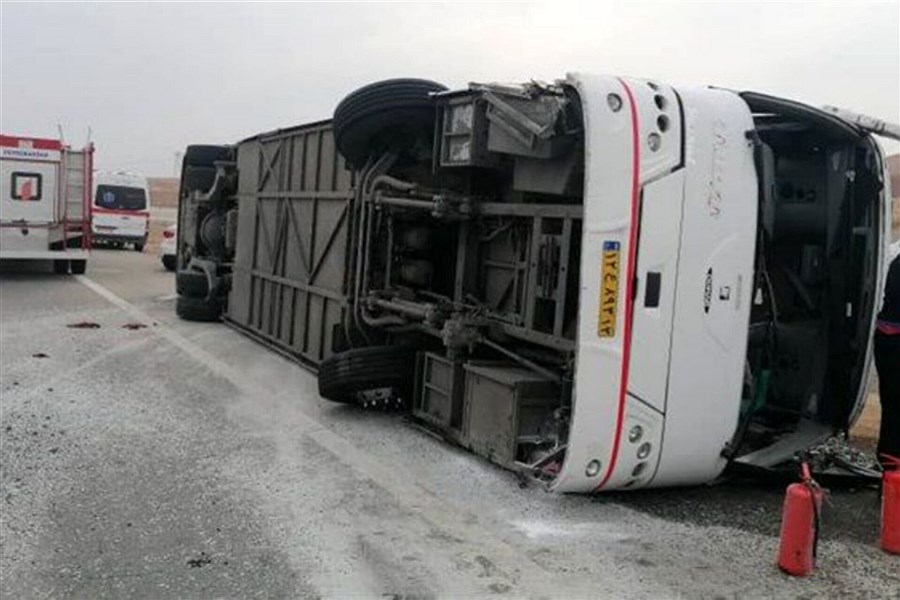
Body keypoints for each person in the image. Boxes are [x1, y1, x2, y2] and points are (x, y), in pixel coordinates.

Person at [875, 243, 900, 468]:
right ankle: (892, 465)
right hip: (893, 341)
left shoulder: (893, 256)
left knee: (891, 405)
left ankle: (889, 462)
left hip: (887, 339)